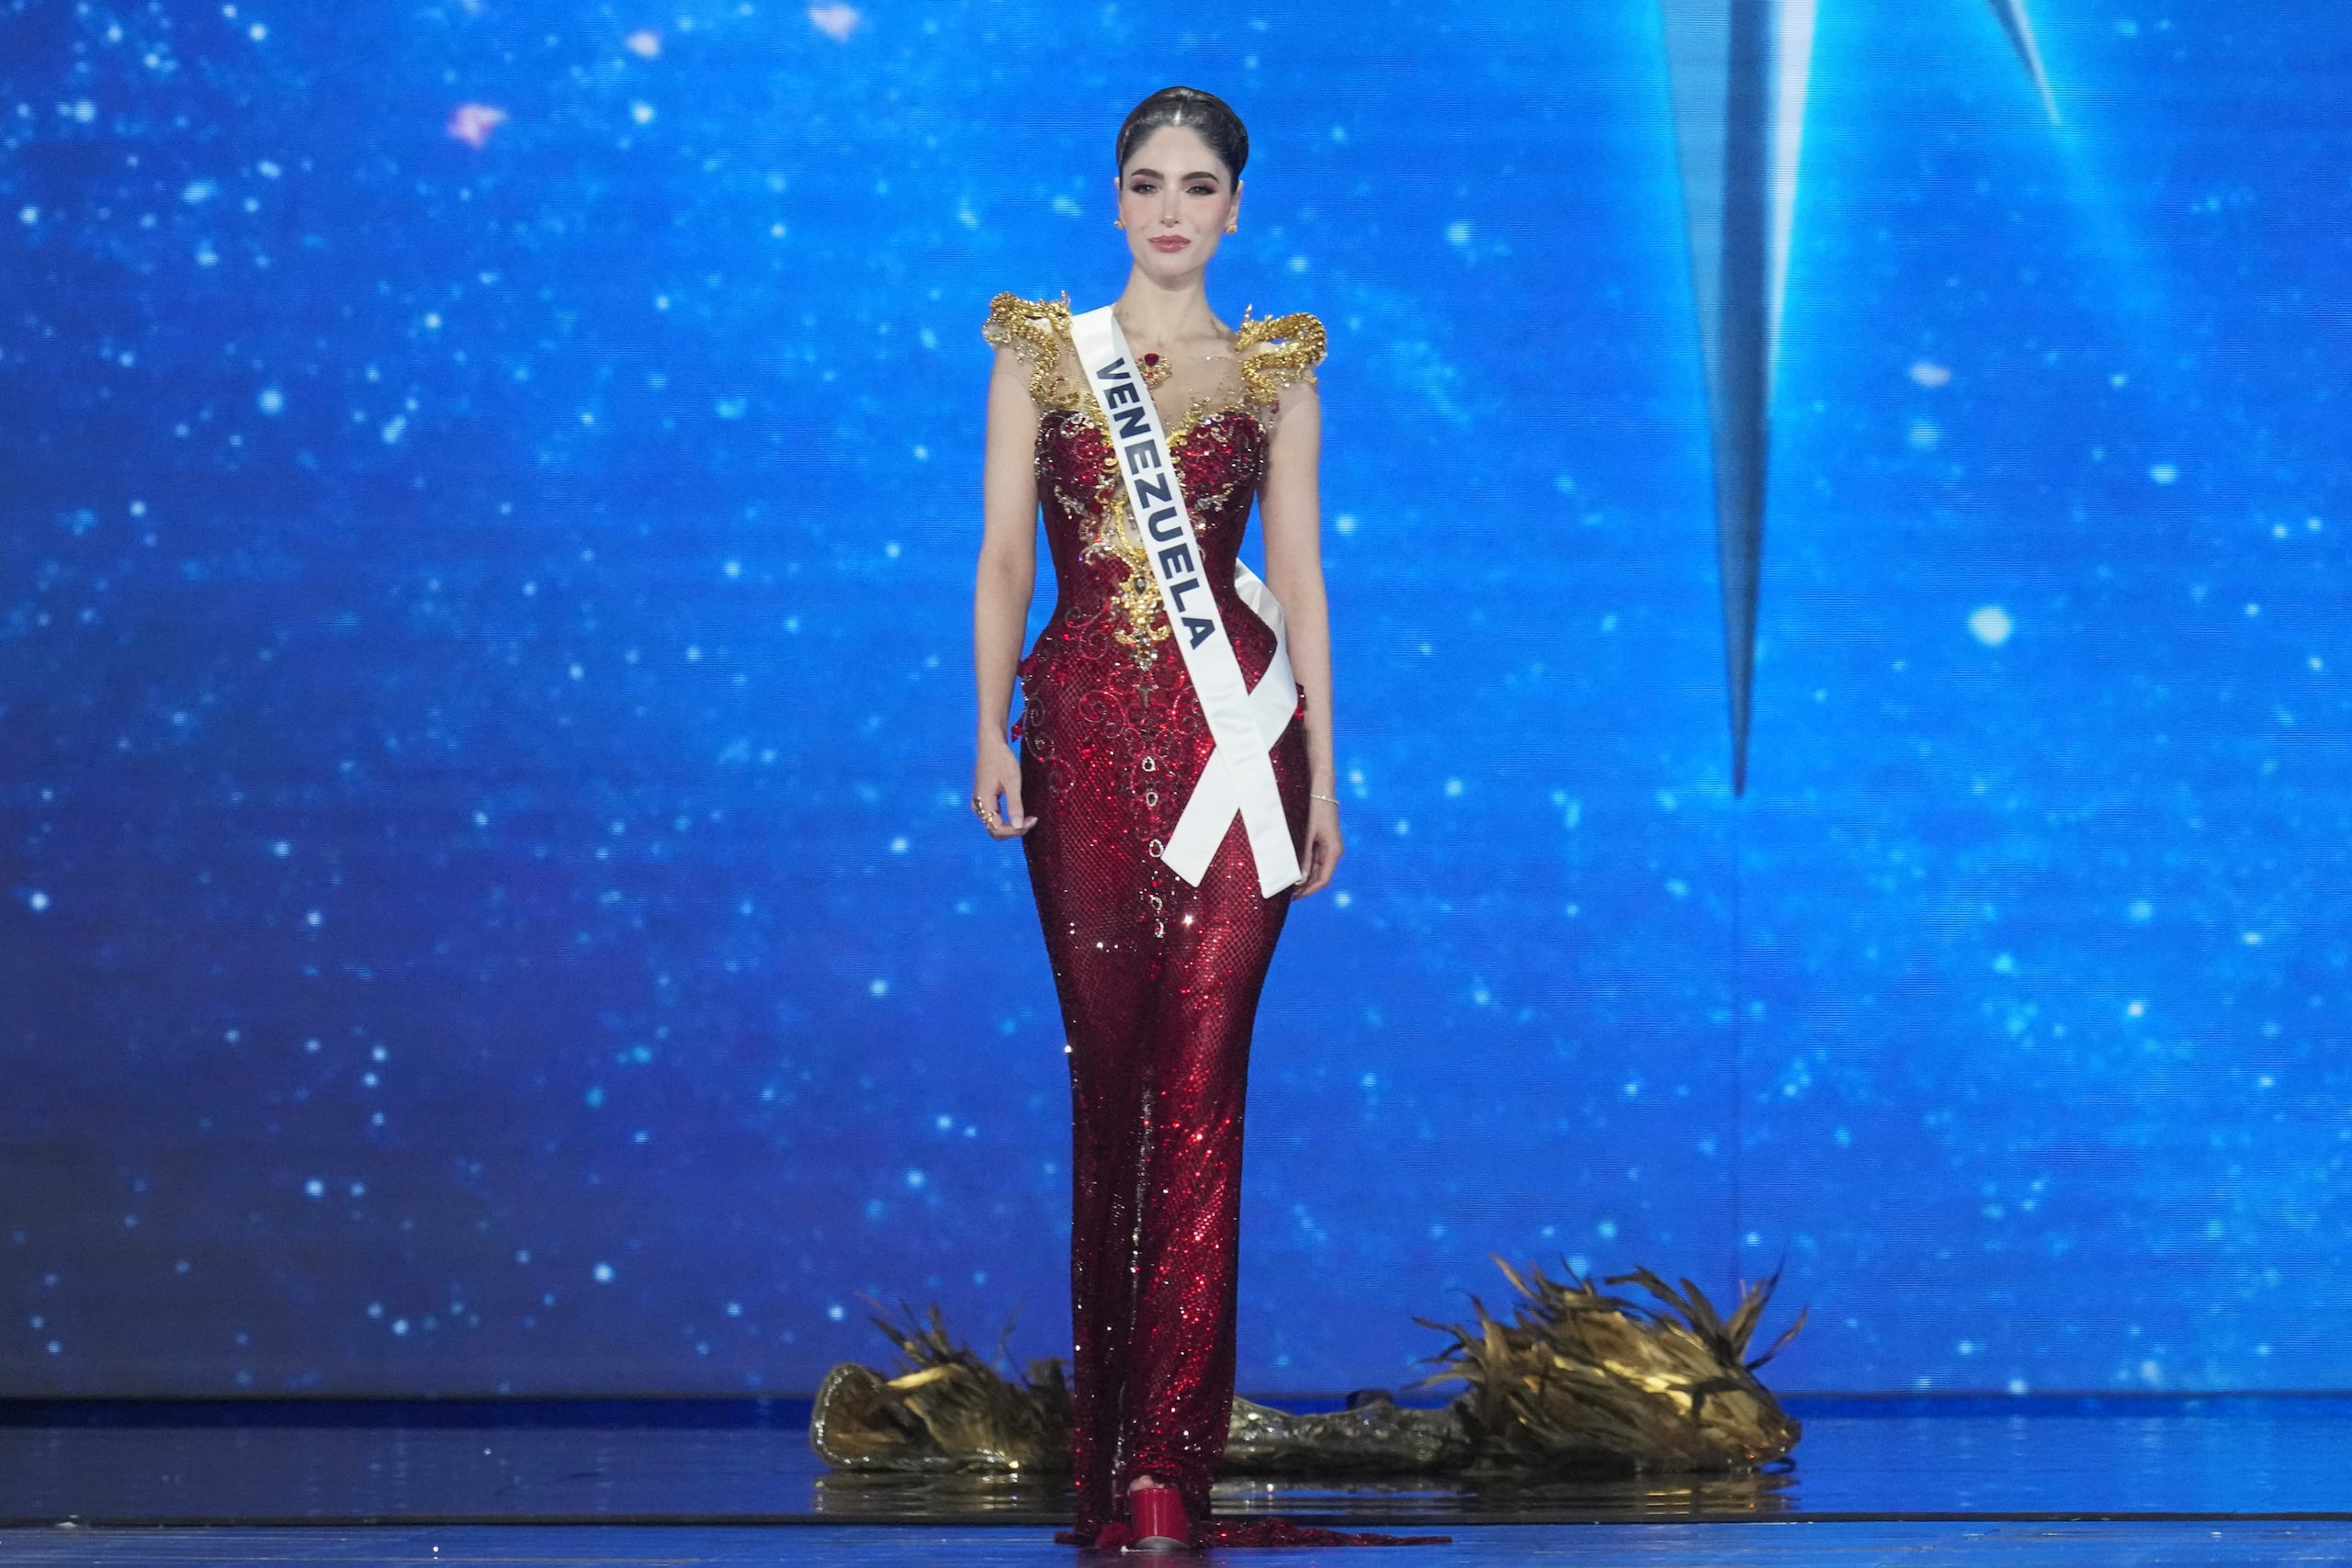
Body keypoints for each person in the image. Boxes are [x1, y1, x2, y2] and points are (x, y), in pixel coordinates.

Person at [970, 85, 1341, 1550]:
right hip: (1077, 741)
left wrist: (1333, 765)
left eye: (1200, 185)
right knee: (1111, 1087)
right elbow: (1006, 555)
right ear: (1114, 201)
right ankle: (1114, 1433)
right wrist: (983, 725)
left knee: (1205, 1094)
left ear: (1235, 208)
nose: (1173, 209)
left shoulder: (1276, 373)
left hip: (1237, 756)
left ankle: (1166, 1468)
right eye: (1147, 182)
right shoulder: (1043, 360)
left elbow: (1302, 584)